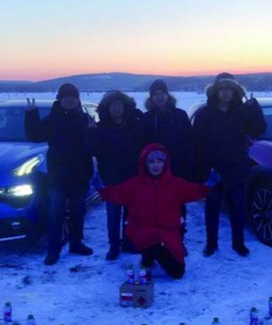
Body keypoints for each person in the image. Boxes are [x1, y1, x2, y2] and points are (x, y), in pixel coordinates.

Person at [92, 144, 220, 279]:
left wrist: (208, 185)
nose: (156, 165)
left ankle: (152, 254)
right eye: (151, 162)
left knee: (177, 272)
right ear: (145, 164)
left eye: (159, 161)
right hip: (143, 231)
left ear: (165, 163)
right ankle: (148, 254)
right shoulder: (135, 185)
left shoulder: (176, 184)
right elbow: (116, 193)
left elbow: (193, 191)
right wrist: (100, 187)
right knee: (149, 241)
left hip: (168, 232)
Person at [193, 73, 267, 257]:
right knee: (212, 208)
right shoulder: (205, 113)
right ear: (216, 91)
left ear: (235, 92)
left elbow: (258, 130)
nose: (226, 93)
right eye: (222, 89)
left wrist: (256, 111)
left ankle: (238, 243)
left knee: (238, 208)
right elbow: (196, 142)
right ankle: (211, 244)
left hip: (237, 168)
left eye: (230, 89)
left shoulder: (241, 112)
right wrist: (201, 168)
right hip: (213, 169)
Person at [24, 83, 96, 266]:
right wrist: (31, 115)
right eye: (66, 97)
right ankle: (53, 250)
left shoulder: (84, 119)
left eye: (73, 97)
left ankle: (76, 244)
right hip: (57, 177)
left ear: (77, 99)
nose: (70, 100)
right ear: (60, 99)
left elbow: (91, 147)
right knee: (55, 214)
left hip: (80, 176)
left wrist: (92, 132)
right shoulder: (51, 120)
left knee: (77, 213)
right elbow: (34, 136)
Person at [138, 79, 195, 252]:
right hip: (154, 171)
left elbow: (190, 142)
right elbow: (141, 145)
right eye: (156, 94)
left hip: (178, 170)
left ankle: (178, 240)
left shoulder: (180, 115)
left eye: (162, 93)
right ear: (151, 97)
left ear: (167, 94)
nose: (159, 97)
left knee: (178, 208)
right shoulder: (146, 118)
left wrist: (189, 168)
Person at [91, 90, 142, 261]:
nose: (116, 108)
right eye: (113, 105)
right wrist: (91, 133)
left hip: (132, 176)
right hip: (111, 177)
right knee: (113, 214)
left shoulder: (134, 124)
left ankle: (129, 242)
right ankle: (113, 246)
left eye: (119, 104)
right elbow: (91, 149)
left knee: (131, 214)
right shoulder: (100, 127)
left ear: (125, 106)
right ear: (107, 108)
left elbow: (143, 144)